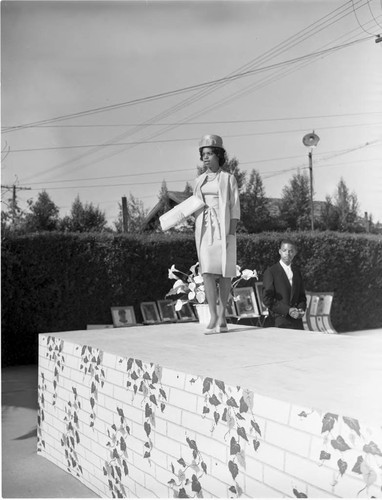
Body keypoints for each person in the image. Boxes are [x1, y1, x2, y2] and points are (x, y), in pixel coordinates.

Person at [193, 135, 240, 334]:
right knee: (207, 272)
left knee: (225, 271)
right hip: (204, 231)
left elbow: (235, 208)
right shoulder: (198, 181)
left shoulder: (228, 179)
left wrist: (231, 234)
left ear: (218, 155)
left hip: (223, 230)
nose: (205, 158)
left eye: (209, 153)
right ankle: (212, 315)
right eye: (203, 154)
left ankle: (222, 315)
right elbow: (193, 205)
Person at [262, 238, 307, 330]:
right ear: (280, 252)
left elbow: (301, 296)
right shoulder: (271, 272)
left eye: (291, 251)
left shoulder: (297, 271)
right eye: (284, 250)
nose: (287, 253)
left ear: (295, 253)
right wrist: (288, 310)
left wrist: (301, 309)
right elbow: (267, 299)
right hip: (278, 321)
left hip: (297, 322)